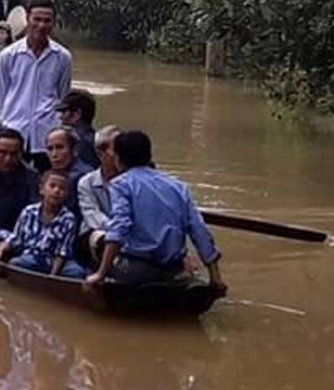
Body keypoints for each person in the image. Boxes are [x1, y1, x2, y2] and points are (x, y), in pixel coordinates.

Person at [84, 131, 227, 292]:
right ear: (149, 155)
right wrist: (215, 277)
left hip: (135, 269)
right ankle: (186, 279)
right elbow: (199, 229)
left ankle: (100, 279)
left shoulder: (120, 184)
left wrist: (100, 274)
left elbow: (119, 229)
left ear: (118, 158)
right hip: (173, 266)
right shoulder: (178, 186)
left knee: (91, 239)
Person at [0, 0, 72, 172]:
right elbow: (0, 97)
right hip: (14, 129)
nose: (41, 25)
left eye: (47, 20)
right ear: (28, 19)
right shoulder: (9, 55)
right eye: (36, 19)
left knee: (45, 181)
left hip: (47, 133)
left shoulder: (62, 57)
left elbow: (63, 96)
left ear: (53, 23)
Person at [0, 171, 85, 278]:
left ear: (66, 194)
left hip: (57, 261)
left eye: (62, 188)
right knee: (17, 263)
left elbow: (62, 252)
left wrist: (52, 276)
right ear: (42, 189)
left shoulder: (69, 219)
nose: (56, 191)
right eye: (52, 186)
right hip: (33, 257)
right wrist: (0, 250)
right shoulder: (29, 211)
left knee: (77, 272)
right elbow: (15, 239)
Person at [77, 124, 122, 259]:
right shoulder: (87, 182)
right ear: (100, 154)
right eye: (116, 150)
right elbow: (93, 217)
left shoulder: (131, 181)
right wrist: (119, 229)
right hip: (96, 236)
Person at [43, 126, 92, 226]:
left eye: (60, 147)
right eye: (50, 149)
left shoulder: (83, 175)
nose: (54, 154)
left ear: (74, 149)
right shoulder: (50, 174)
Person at [55, 89, 99, 168]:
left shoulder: (79, 142)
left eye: (64, 112)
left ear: (77, 113)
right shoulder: (95, 138)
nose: (61, 117)